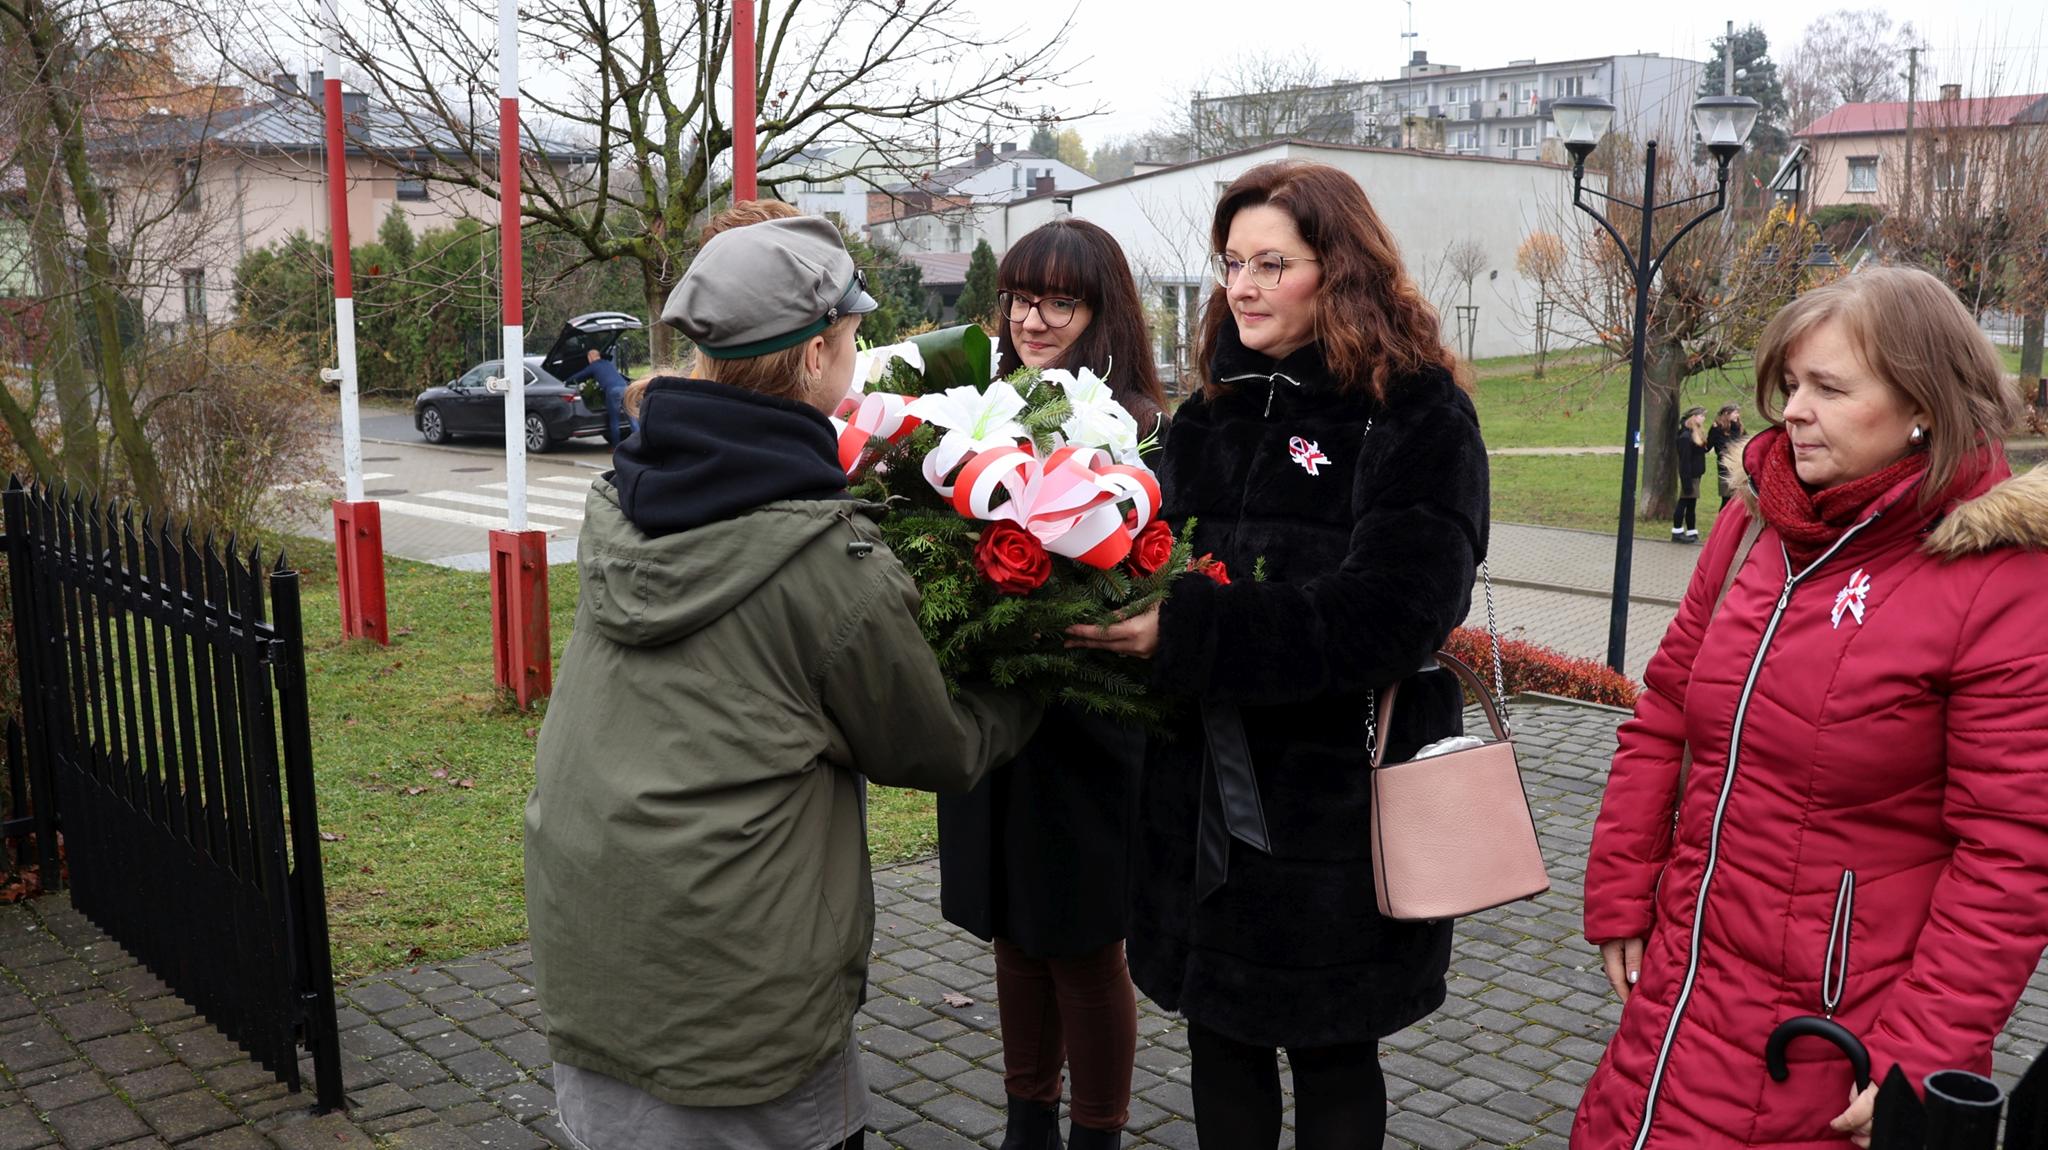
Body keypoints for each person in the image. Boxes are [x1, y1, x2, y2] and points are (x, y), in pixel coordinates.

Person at [524, 216, 1042, 1150]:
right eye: (850, 338)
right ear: (813, 355)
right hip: (738, 984)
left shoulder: (626, 499)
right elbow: (937, 745)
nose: (856, 356)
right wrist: (1040, 669)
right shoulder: (822, 557)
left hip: (599, 945)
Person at [1574, 267, 2048, 1149]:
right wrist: (1622, 889)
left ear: (1925, 406)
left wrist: (1922, 1054)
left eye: (1829, 388)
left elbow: (2011, 855)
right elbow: (1667, 711)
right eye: (1791, 384)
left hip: (1838, 1036)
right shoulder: (1753, 526)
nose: (1792, 411)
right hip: (1683, 984)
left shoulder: (2001, 578)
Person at [1066, 161, 1489, 1150]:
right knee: (1219, 1041)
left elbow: (1399, 612)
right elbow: (1154, 554)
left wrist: (1194, 633)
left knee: (1332, 1052)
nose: (1242, 287)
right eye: (1231, 263)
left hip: (1332, 805)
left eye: (1271, 264)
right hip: (1196, 803)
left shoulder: (1414, 411)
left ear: (1338, 270)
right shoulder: (1210, 412)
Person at [935, 218, 1167, 1150]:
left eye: (1059, 301)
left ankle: (1097, 1133)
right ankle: (1026, 1122)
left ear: (1102, 311)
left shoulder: (1138, 432)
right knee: (1012, 931)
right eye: (1020, 298)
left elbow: (1153, 575)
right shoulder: (982, 413)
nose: (1032, 320)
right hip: (996, 715)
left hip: (1087, 725)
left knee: (1080, 944)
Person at [565, 348, 633, 445]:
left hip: (613, 391)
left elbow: (579, 375)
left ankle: (616, 446)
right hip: (625, 389)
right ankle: (641, 444)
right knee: (632, 419)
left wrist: (566, 381)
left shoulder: (593, 366)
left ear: (590, 357)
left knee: (614, 420)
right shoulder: (608, 363)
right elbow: (618, 375)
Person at [1673, 406, 1710, 542]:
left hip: (1696, 475)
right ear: (1693, 417)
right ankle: (1677, 532)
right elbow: (1685, 461)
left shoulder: (1694, 434)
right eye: (1701, 416)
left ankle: (1691, 531)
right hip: (1689, 475)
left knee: (1691, 504)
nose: (1703, 418)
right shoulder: (1685, 437)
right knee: (1683, 502)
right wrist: (1686, 481)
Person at [1708, 403, 1745, 503]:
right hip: (1725, 466)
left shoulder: (1738, 426)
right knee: (1727, 499)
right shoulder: (1717, 428)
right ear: (1726, 413)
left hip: (1738, 466)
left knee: (1738, 500)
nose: (1738, 415)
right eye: (1735, 413)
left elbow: (1745, 441)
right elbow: (1710, 445)